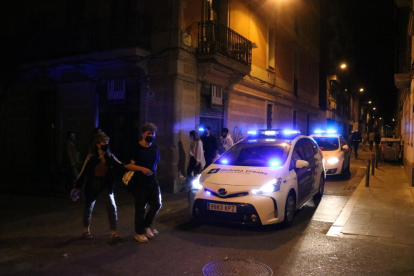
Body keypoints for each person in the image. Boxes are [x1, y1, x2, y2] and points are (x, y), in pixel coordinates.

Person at [70, 132, 123, 240]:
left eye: (107, 142)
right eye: (104, 142)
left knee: (112, 207)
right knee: (88, 208)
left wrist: (131, 166)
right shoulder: (91, 157)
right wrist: (77, 186)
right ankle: (86, 231)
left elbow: (120, 166)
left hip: (105, 185)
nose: (106, 144)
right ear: (98, 144)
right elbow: (83, 172)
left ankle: (113, 233)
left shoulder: (109, 156)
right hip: (92, 184)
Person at [125, 123, 162, 243]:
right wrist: (142, 169)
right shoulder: (136, 148)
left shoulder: (155, 147)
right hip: (139, 182)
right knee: (140, 208)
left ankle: (146, 226)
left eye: (152, 134)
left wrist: (154, 175)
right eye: (148, 134)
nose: (151, 136)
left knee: (156, 204)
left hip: (152, 181)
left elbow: (156, 163)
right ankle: (139, 232)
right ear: (143, 134)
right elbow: (127, 165)